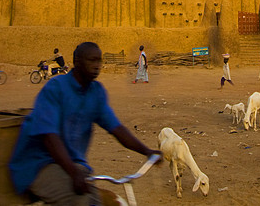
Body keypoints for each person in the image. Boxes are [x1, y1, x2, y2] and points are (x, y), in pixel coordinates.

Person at [9, 42, 161, 204]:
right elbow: (49, 137)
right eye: (91, 61)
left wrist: (147, 151)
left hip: (71, 164)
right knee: (80, 200)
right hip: (40, 164)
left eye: (99, 61)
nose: (97, 66)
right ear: (77, 62)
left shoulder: (96, 92)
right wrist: (74, 172)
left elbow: (116, 129)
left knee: (95, 199)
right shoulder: (55, 88)